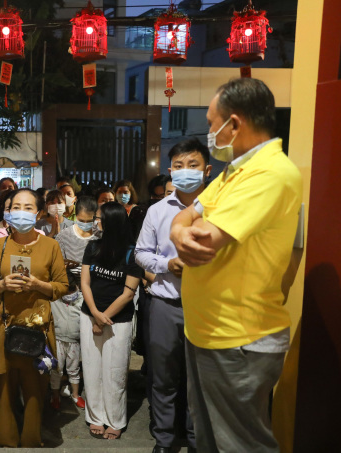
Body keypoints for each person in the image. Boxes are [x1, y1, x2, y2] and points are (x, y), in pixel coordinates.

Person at [170, 78, 302, 453]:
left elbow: (203, 238)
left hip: (239, 336)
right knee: (211, 440)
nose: (210, 132)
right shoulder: (234, 171)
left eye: (212, 124)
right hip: (209, 330)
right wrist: (181, 231)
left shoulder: (270, 174)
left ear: (235, 123)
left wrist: (183, 231)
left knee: (241, 445)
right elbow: (184, 219)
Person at [136, 138, 212, 453]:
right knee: (163, 379)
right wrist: (167, 264)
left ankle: (196, 441)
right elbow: (140, 254)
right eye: (178, 166)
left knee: (200, 382)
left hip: (207, 308)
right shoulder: (156, 211)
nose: (185, 172)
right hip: (164, 305)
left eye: (192, 165)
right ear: (170, 170)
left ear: (207, 170)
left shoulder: (220, 208)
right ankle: (165, 441)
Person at [0, 188, 68, 448]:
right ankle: (6, 438)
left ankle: (31, 438)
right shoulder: (0, 244)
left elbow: (62, 287)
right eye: (16, 206)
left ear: (39, 212)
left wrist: (38, 285)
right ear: (8, 212)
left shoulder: (51, 246)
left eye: (28, 207)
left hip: (36, 327)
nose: (21, 212)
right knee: (4, 389)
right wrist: (3, 284)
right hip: (2, 324)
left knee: (35, 390)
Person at [80, 201, 142, 440]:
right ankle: (95, 417)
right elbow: (85, 282)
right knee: (92, 369)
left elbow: (128, 293)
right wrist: (95, 313)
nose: (95, 222)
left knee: (115, 372)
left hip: (119, 321)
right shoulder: (93, 247)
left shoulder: (131, 252)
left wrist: (103, 319)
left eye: (98, 218)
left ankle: (114, 419)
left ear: (110, 222)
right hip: (90, 316)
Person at [49, 280, 85, 411]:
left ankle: (76, 395)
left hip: (74, 340)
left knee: (74, 369)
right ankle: (55, 396)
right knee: (56, 370)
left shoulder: (83, 299)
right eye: (67, 293)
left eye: (72, 292)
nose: (70, 296)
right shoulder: (54, 298)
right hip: (57, 339)